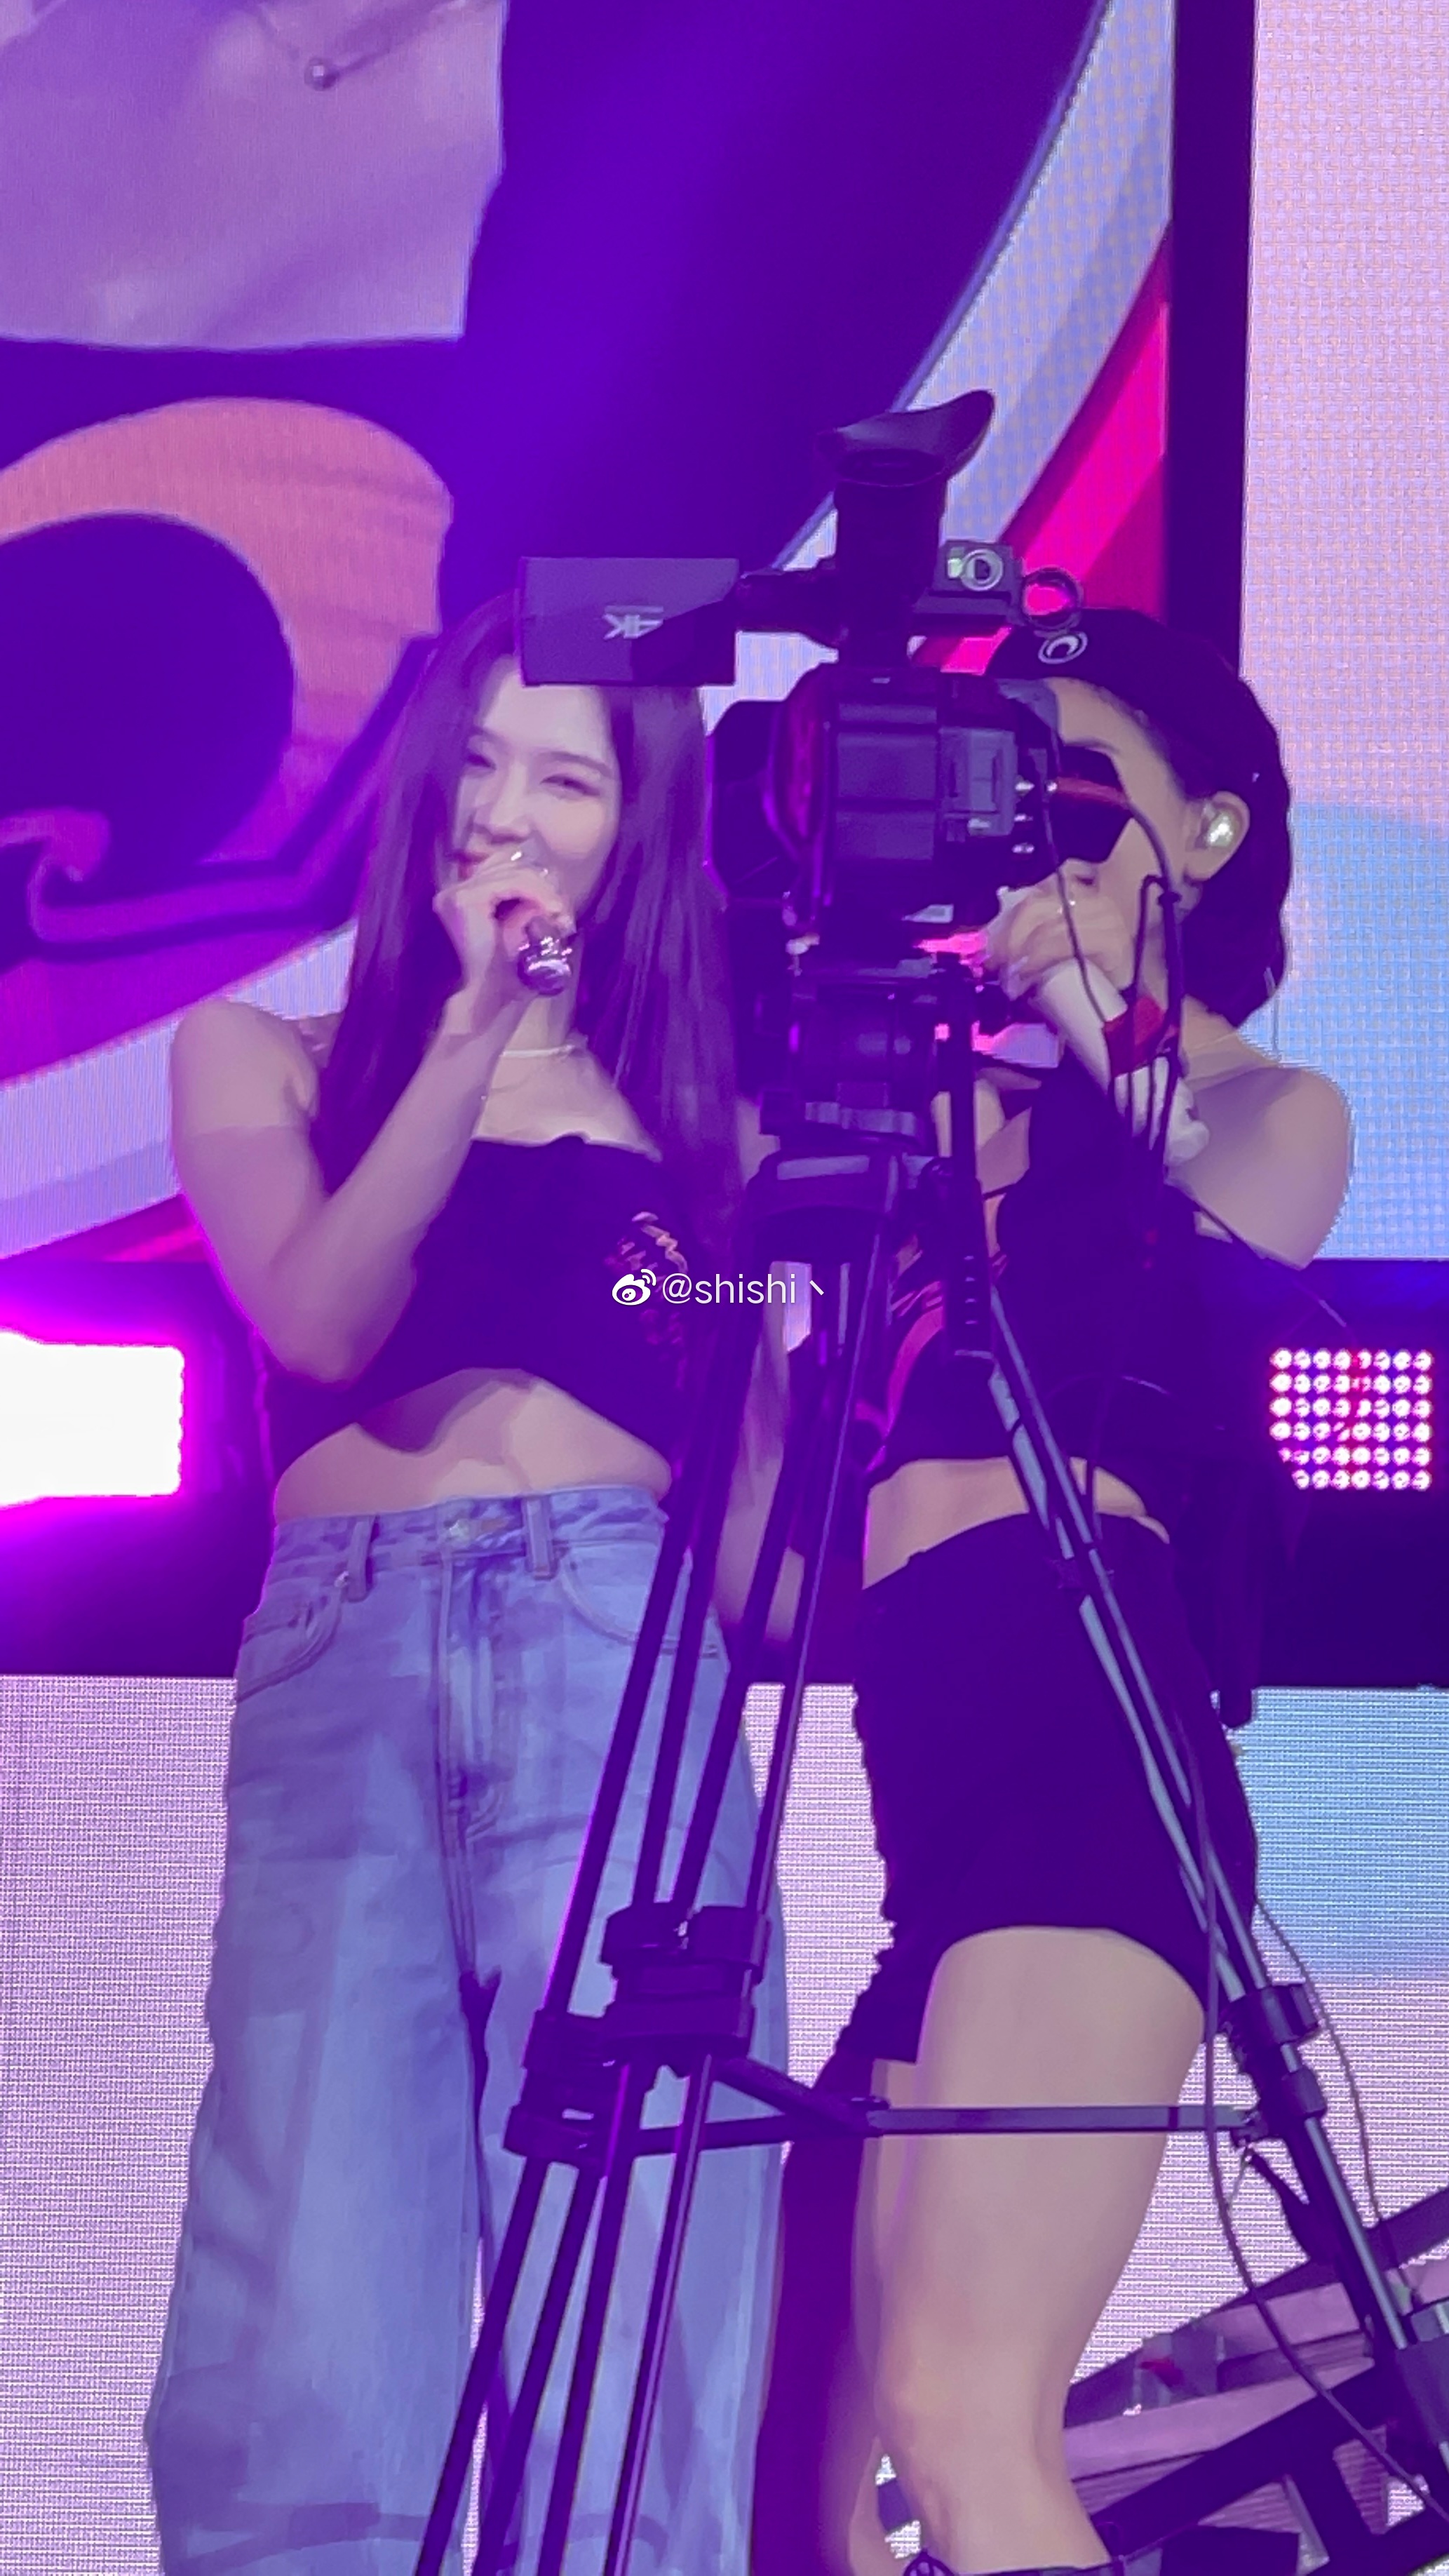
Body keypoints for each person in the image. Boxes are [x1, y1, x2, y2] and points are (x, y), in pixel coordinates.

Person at [147, 592, 787, 2574]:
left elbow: (759, 1536)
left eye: (566, 780)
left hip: (617, 1641)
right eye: (481, 765)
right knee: (311, 2293)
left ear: (635, 827)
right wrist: (472, 1032)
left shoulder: (704, 1126)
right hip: (345, 1644)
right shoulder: (261, 1054)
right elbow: (325, 1320)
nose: (506, 814)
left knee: (638, 2287)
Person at [753, 609, 1352, 2576]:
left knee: (962, 2418)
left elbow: (1221, 1227)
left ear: (1211, 830)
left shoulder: (1265, 1106)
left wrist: (1090, 1008)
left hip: (1094, 1775)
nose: (1042, 839)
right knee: (796, 2505)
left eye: (1081, 793)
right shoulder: (963, 1117)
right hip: (935, 1814)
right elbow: (783, 1497)